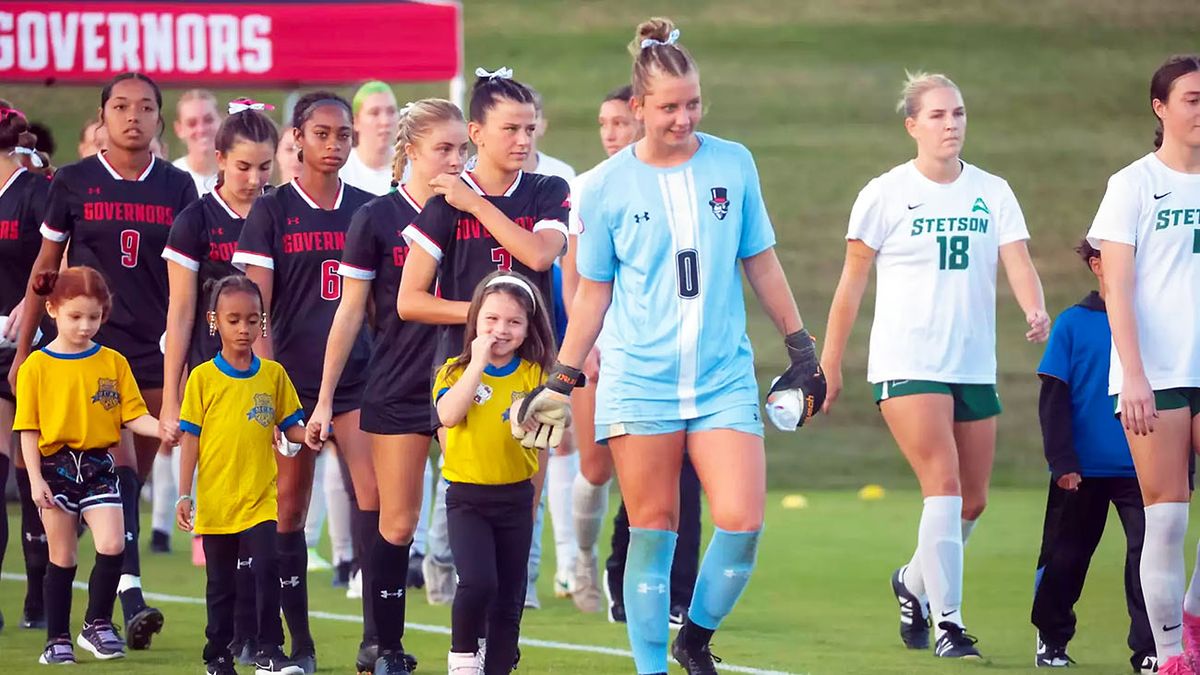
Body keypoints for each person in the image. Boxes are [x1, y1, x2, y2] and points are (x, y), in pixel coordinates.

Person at [514, 18, 826, 674]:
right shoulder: (600, 187)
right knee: (654, 529)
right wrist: (563, 379)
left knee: (741, 523)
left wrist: (801, 347)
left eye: (693, 103)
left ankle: (696, 637)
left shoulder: (733, 163)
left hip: (722, 377)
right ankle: (652, 667)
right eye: (668, 107)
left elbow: (761, 262)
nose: (683, 118)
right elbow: (592, 295)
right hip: (640, 378)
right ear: (637, 109)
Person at [820, 70, 1049, 660]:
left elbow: (1017, 259)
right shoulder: (885, 193)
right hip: (908, 361)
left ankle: (912, 582)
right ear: (912, 125)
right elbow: (851, 283)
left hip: (972, 362)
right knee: (942, 488)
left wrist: (1035, 308)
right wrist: (830, 361)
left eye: (959, 114)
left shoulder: (993, 190)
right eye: (939, 115)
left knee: (972, 501)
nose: (951, 124)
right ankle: (949, 623)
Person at [10, 72, 199, 650]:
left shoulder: (179, 186)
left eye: (145, 107)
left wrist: (185, 362)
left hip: (152, 353)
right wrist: (24, 353)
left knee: (129, 481)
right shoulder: (70, 182)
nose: (133, 116)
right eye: (121, 106)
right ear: (103, 115)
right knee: (111, 475)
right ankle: (116, 605)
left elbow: (190, 284)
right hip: (85, 356)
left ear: (160, 121)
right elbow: (44, 272)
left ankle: (102, 597)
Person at [307, 97, 467, 674]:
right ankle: (383, 643)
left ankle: (478, 645)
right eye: (443, 149)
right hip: (397, 384)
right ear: (411, 151)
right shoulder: (374, 219)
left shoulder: (475, 211)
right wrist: (325, 398)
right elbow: (349, 314)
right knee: (396, 523)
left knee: (475, 510)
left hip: (467, 387)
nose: (455, 159)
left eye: (461, 148)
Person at [233, 91, 377, 673]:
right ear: (295, 138)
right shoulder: (271, 211)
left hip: (356, 382)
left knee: (375, 506)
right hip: (291, 384)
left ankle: (378, 640)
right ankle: (296, 643)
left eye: (343, 134)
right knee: (287, 512)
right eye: (322, 133)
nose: (334, 144)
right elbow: (253, 307)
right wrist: (268, 389)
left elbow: (380, 306)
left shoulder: (369, 209)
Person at [561, 85, 703, 622]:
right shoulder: (592, 189)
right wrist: (587, 345)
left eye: (619, 123)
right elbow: (576, 283)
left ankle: (664, 589)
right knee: (598, 471)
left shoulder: (679, 179)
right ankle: (583, 555)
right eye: (604, 124)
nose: (611, 134)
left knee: (672, 472)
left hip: (666, 355)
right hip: (601, 348)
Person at [1086, 54, 1200, 675]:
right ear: (1160, 109)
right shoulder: (1132, 184)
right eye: (1192, 98)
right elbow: (1117, 288)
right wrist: (1133, 374)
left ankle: (1193, 617)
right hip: (1155, 373)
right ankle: (1171, 655)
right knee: (1169, 516)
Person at [160, 98, 279, 663]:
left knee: (273, 519)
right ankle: (227, 640)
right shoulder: (196, 221)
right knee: (223, 525)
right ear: (219, 158)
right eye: (243, 168)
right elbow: (180, 315)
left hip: (268, 383)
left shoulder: (279, 212)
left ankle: (273, 639)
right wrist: (172, 398)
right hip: (214, 390)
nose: (255, 180)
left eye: (265, 168)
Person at [14, 266, 161, 664]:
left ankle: (96, 624)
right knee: (62, 558)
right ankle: (56, 640)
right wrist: (33, 480)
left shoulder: (113, 362)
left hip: (99, 465)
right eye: (75, 316)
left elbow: (134, 415)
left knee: (113, 544)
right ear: (52, 309)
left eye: (93, 317)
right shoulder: (36, 367)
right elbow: (28, 428)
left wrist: (164, 429)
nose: (84, 326)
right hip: (54, 467)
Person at [1030, 239, 1156, 673]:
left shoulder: (1155, 320)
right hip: (1081, 469)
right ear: (1097, 264)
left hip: (1144, 467)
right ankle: (1051, 637)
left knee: (1149, 561)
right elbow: (1053, 399)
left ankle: (1149, 651)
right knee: (1066, 558)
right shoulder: (1071, 324)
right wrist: (1062, 462)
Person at [175, 275, 307, 675]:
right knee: (221, 586)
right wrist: (184, 494)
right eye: (234, 320)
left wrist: (315, 432)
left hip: (260, 499)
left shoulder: (273, 375)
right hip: (217, 502)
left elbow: (292, 427)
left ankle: (270, 649)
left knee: (268, 567)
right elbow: (190, 441)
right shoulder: (202, 378)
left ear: (263, 322)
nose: (244, 329)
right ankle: (217, 655)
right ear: (215, 321)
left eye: (252, 320)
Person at [436, 271, 554, 675]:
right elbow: (449, 415)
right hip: (468, 498)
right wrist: (478, 363)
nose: (500, 330)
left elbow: (549, 432)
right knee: (478, 582)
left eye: (513, 322)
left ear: (527, 329)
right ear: (475, 320)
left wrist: (552, 417)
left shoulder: (535, 374)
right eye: (491, 319)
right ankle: (463, 658)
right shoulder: (454, 371)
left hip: (515, 498)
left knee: (509, 596)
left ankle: (499, 665)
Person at [0, 103, 51, 633]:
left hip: (33, 346)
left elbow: (58, 260)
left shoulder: (36, 193)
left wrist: (30, 305)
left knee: (32, 468)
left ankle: (37, 594)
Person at [340, 81, 399, 196]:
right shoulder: (341, 169)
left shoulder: (413, 167)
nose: (385, 121)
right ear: (355, 121)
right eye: (374, 113)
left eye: (391, 111)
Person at [172, 90, 222, 196]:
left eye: (208, 120)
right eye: (192, 123)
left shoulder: (241, 173)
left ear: (221, 120)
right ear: (179, 129)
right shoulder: (169, 179)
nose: (201, 129)